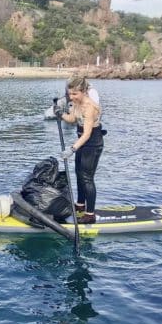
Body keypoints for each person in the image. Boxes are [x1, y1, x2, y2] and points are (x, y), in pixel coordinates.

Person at [55, 76, 104, 224]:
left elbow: (87, 133)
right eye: (70, 94)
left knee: (87, 178)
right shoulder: (77, 103)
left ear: (83, 91)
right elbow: (72, 119)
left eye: (75, 94)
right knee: (79, 174)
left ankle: (90, 215)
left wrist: (72, 149)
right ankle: (80, 205)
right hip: (82, 143)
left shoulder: (90, 107)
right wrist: (60, 113)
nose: (71, 97)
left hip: (92, 144)